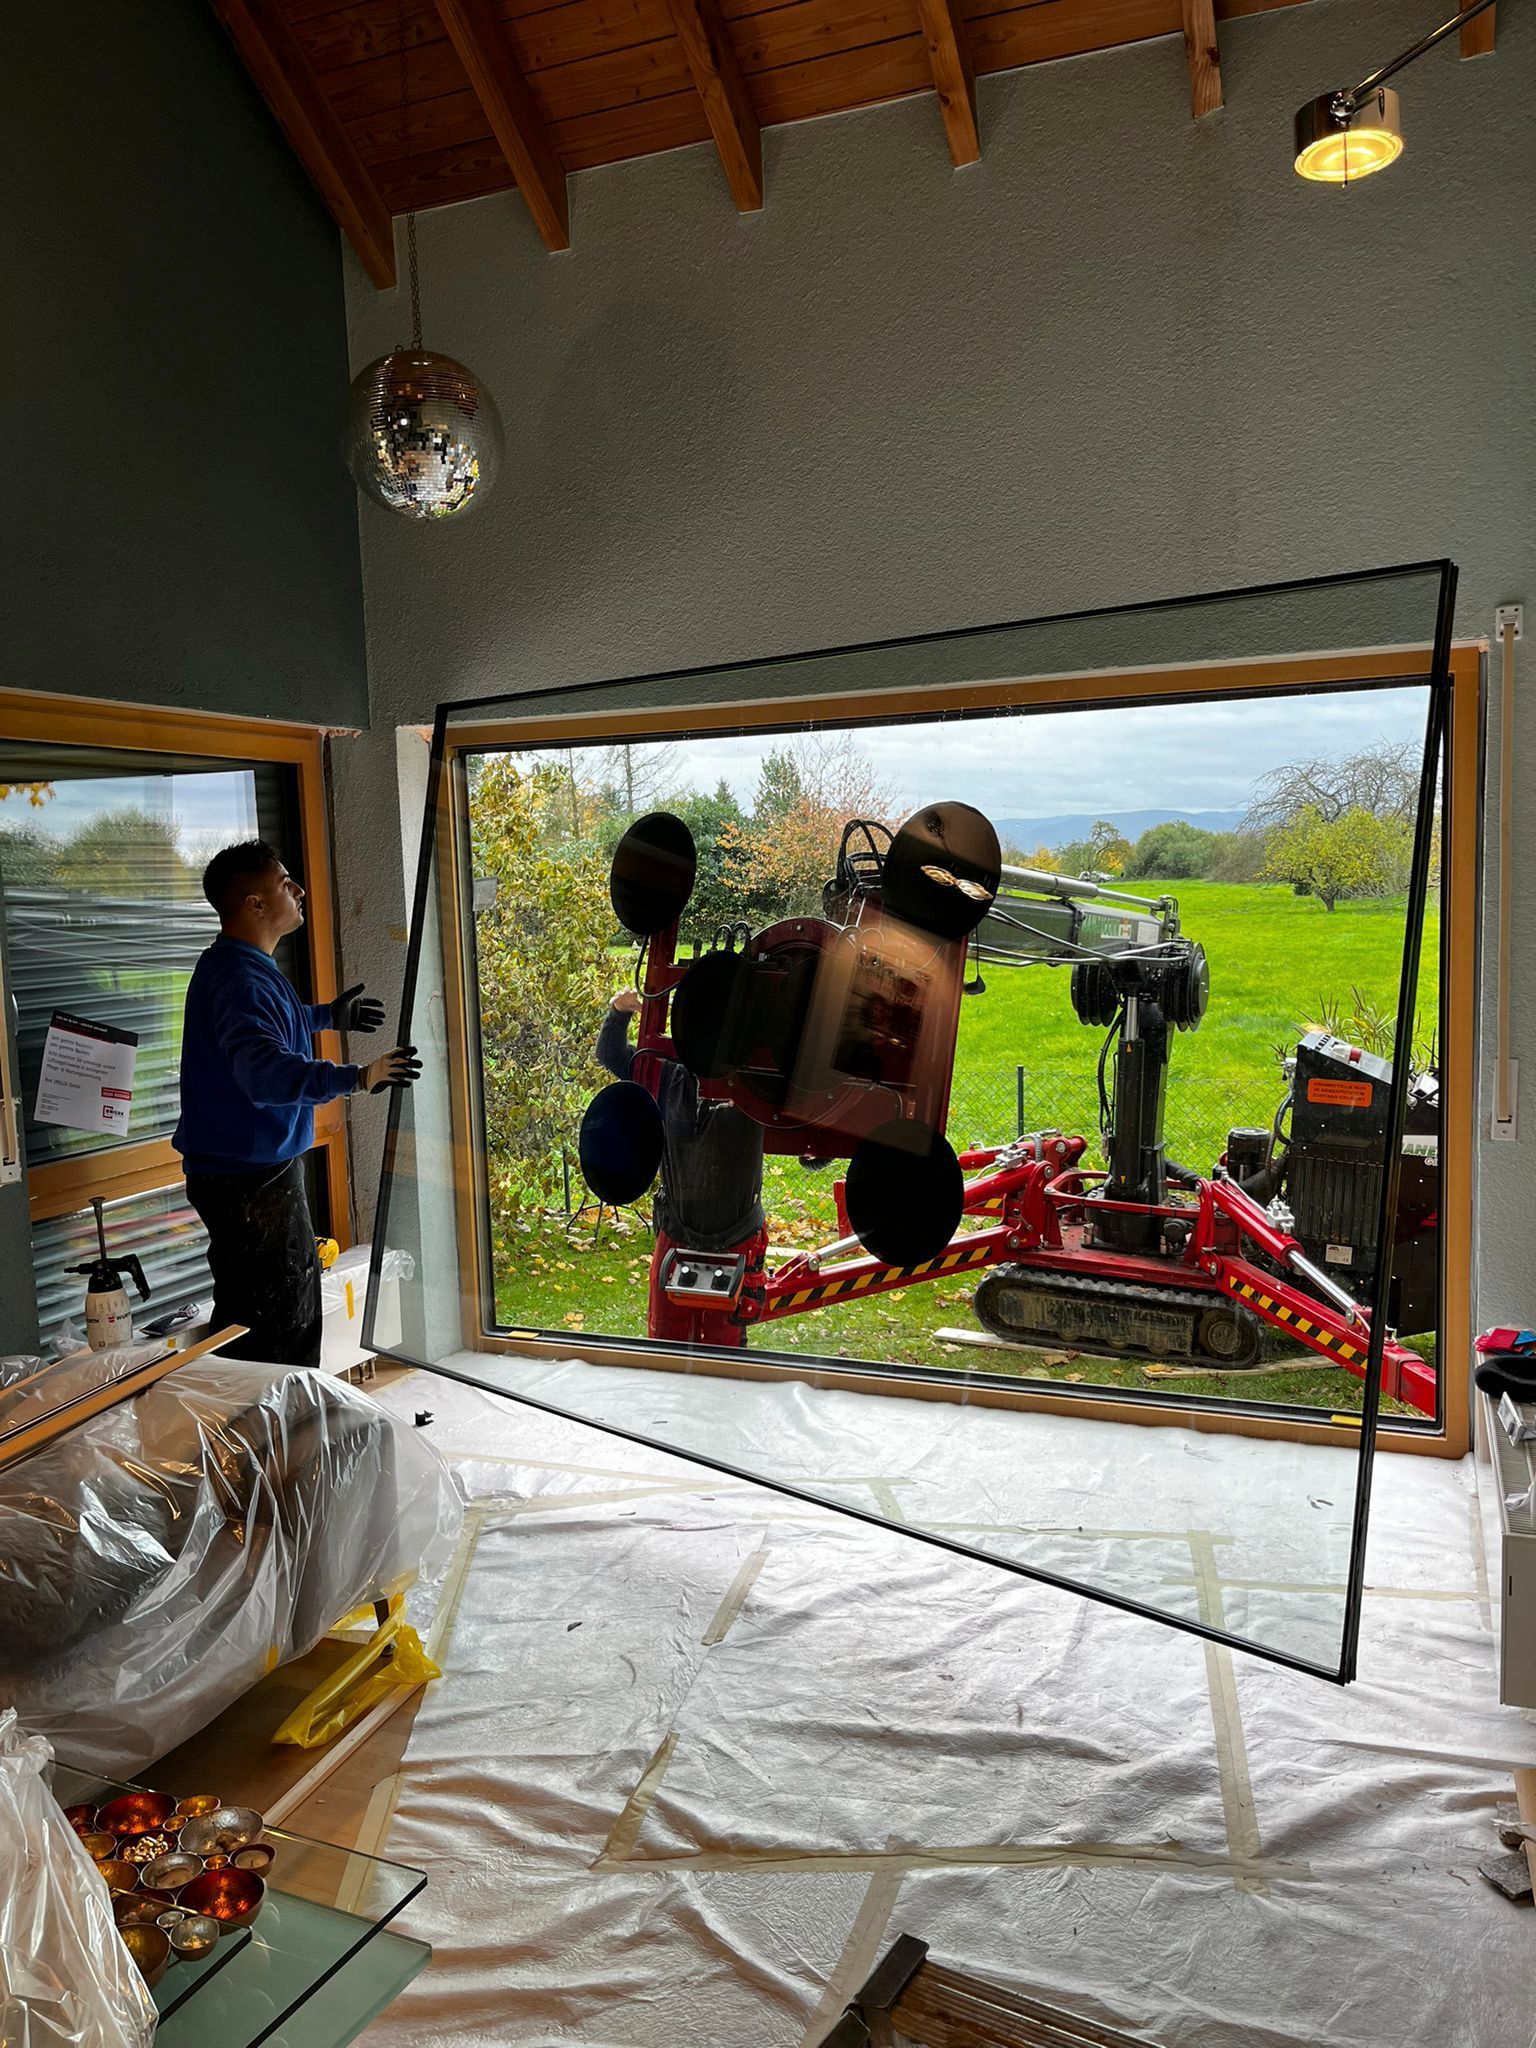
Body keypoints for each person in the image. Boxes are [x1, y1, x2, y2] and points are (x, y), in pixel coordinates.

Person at [174, 840, 421, 1367]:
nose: (299, 889)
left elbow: (264, 1029)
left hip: (242, 1175)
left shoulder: (240, 966)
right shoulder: (240, 980)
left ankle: (248, 1436)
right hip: (250, 1184)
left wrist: (326, 1016)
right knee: (280, 1324)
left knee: (257, 1315)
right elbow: (265, 1074)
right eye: (285, 882)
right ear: (254, 904)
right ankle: (275, 1439)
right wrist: (361, 1076)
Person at [597, 988, 766, 1346]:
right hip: (677, 1230)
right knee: (665, 1342)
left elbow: (811, 1140)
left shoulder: (759, 1080)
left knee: (724, 1346)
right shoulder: (666, 1075)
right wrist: (619, 1010)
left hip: (736, 1237)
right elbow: (610, 1054)